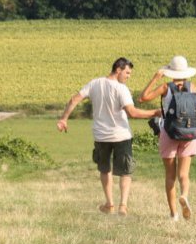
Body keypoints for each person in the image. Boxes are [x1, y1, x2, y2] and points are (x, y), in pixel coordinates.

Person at [57, 57, 162, 216]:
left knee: (105, 169)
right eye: (127, 72)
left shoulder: (94, 83)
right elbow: (132, 112)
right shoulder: (121, 89)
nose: (128, 76)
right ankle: (123, 205)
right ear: (118, 70)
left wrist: (64, 118)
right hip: (121, 135)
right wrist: (154, 113)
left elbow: (74, 99)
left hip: (101, 136)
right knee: (125, 171)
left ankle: (109, 204)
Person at [138, 55, 196, 221]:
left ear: (171, 72)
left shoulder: (166, 87)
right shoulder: (192, 86)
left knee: (170, 175)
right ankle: (185, 195)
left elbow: (142, 98)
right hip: (189, 132)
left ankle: (173, 214)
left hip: (169, 131)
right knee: (184, 175)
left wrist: (155, 78)